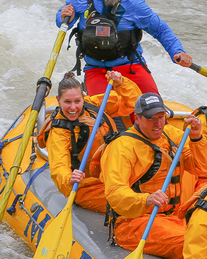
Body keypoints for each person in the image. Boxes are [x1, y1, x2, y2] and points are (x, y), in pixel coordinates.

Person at [99, 92, 207, 259]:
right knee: (193, 243)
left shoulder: (169, 133)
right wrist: (146, 199)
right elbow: (115, 193)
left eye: (161, 117)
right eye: (152, 118)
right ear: (137, 119)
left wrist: (197, 137)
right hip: (135, 223)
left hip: (174, 216)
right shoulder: (122, 147)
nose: (158, 123)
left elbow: (203, 167)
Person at [57, 0, 193, 98]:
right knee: (107, 114)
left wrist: (176, 52)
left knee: (153, 109)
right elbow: (63, 22)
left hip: (130, 67)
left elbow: (160, 30)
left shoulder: (133, 1)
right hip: (96, 69)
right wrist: (63, 16)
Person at [38, 71, 138, 213]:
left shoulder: (95, 105)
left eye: (77, 101)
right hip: (89, 186)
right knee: (131, 205)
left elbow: (132, 102)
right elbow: (59, 167)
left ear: (83, 98)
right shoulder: (58, 133)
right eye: (67, 102)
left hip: (117, 171)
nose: (73, 108)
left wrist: (121, 83)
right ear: (58, 100)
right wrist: (69, 179)